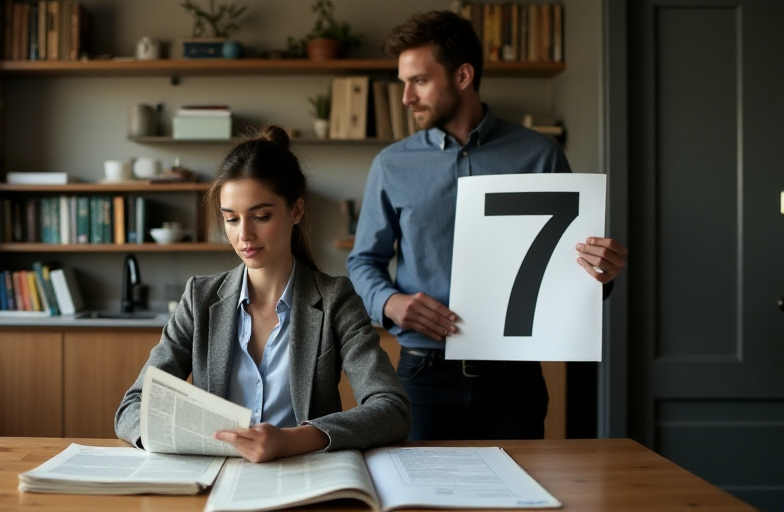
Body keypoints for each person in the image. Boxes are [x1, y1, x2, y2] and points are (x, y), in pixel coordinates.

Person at [346, 11, 628, 441]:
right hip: (422, 375)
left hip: (515, 379)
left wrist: (600, 275)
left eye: (419, 81)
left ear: (463, 75)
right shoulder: (390, 165)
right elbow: (364, 260)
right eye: (404, 83)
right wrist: (389, 302)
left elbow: (570, 273)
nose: (406, 97)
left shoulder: (541, 156)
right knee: (421, 505)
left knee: (520, 504)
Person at [115, 125, 411, 462]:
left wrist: (295, 440)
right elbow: (132, 407)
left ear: (296, 211)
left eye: (261, 216)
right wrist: (177, 438)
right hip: (213, 478)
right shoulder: (200, 299)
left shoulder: (334, 300)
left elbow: (392, 409)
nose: (244, 235)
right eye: (231, 219)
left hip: (304, 476)